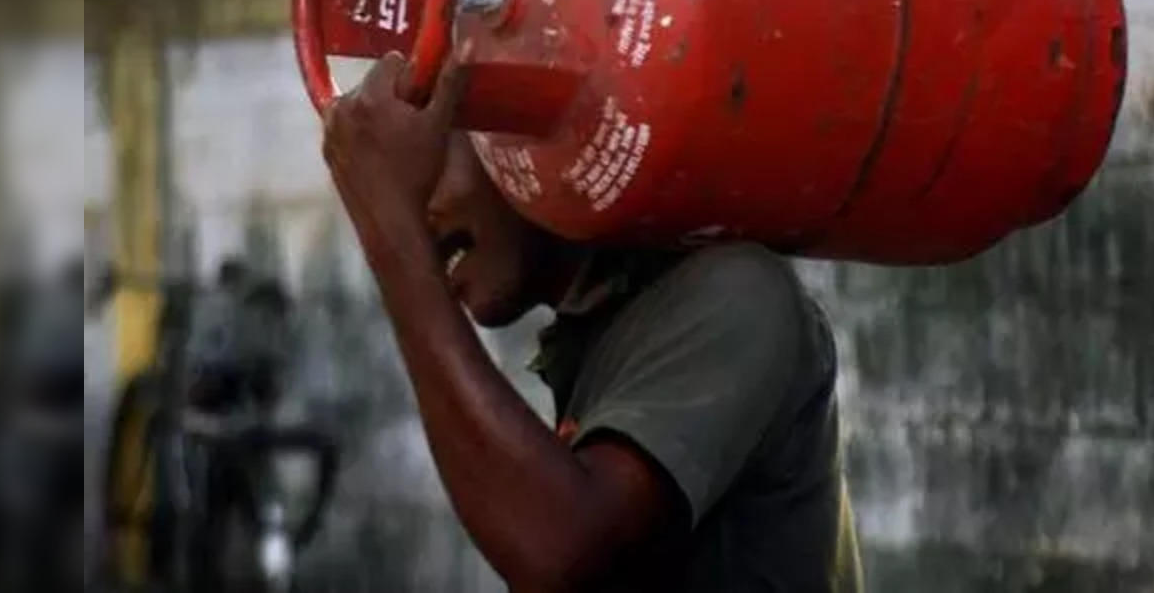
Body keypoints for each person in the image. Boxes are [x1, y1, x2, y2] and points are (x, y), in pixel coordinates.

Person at [320, 50, 862, 592]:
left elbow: (559, 552)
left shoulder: (736, 292)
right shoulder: (599, 332)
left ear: (519, 135)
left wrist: (393, 234)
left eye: (425, 164)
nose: (417, 207)